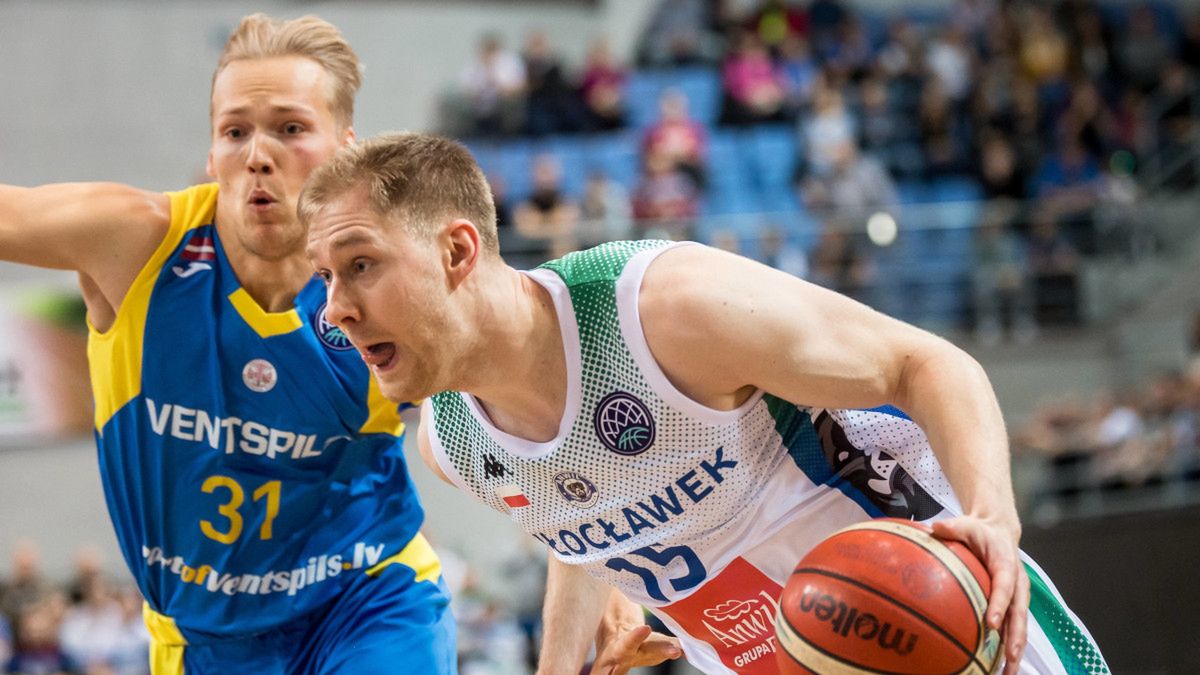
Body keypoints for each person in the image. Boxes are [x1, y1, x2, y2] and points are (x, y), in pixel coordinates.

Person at [301, 133, 1109, 675]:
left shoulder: (665, 310)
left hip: (936, 625)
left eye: (360, 265)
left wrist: (993, 517)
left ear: (457, 249)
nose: (335, 308)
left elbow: (924, 362)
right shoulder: (453, 445)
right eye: (326, 278)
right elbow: (568, 506)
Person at [0, 15, 453, 673]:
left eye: (290, 128)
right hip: (200, 639)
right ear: (212, 155)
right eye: (235, 131)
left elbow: (532, 386)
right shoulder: (137, 243)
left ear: (345, 152)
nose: (258, 154)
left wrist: (589, 565)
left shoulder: (393, 277)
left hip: (366, 602)